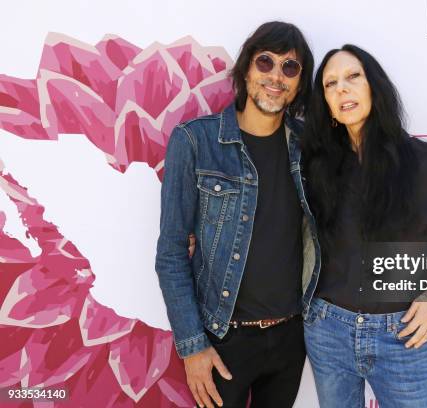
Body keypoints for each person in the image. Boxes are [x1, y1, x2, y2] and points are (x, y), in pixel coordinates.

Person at [301, 44, 427, 407]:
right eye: (329, 84)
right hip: (327, 329)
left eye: (353, 76)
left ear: (376, 87)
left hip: (401, 334)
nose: (341, 89)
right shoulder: (317, 165)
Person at [155, 21, 320, 408]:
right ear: (246, 69)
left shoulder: (311, 149)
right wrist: (193, 346)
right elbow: (171, 254)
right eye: (265, 62)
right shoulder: (195, 142)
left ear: (299, 83)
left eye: (290, 67)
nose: (276, 76)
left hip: (290, 341)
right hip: (222, 339)